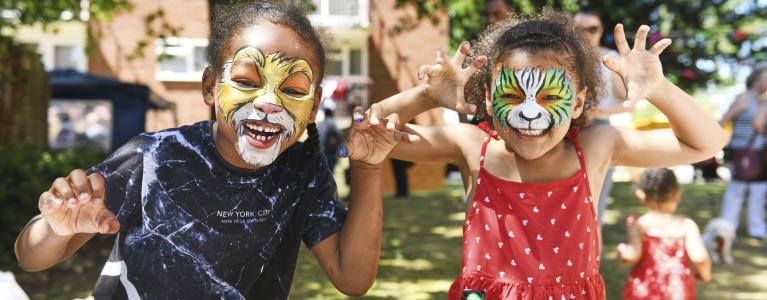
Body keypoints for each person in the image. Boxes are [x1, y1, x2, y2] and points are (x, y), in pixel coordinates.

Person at [13, 2, 417, 299]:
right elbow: (31, 257)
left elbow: (353, 279)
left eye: (292, 91)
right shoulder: (153, 157)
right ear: (210, 86)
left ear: (313, 105)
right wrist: (56, 227)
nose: (269, 103)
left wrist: (366, 168)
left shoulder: (302, 172)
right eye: (246, 82)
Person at [364, 10, 726, 299]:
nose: (531, 114)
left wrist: (659, 89)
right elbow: (372, 132)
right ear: (489, 97)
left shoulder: (595, 148)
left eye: (551, 96)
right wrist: (424, 97)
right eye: (512, 96)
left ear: (578, 102)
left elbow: (706, 143)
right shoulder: (473, 146)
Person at [573, 9, 630, 229]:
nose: (587, 34)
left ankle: (592, 233)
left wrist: (596, 112)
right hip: (566, 130)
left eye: (593, 29)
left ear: (601, 30)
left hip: (599, 130)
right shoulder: (563, 56)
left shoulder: (611, 59)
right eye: (581, 29)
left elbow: (628, 102)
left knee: (597, 190)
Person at [617, 168, 711, 299]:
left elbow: (632, 256)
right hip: (677, 290)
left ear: (641, 195)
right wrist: (705, 275)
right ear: (677, 194)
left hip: (644, 289)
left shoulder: (639, 225)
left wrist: (622, 251)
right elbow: (699, 257)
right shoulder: (686, 226)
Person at [718, 66, 767, 240]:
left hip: (759, 153)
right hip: (742, 151)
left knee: (758, 191)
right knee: (737, 190)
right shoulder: (744, 98)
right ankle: (728, 226)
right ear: (757, 79)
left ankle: (757, 228)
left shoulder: (762, 101)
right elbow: (724, 120)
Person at [317, 106, 342, 172]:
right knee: (331, 173)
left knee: (323, 173)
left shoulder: (320, 124)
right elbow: (339, 138)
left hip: (322, 151)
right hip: (332, 152)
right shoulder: (334, 124)